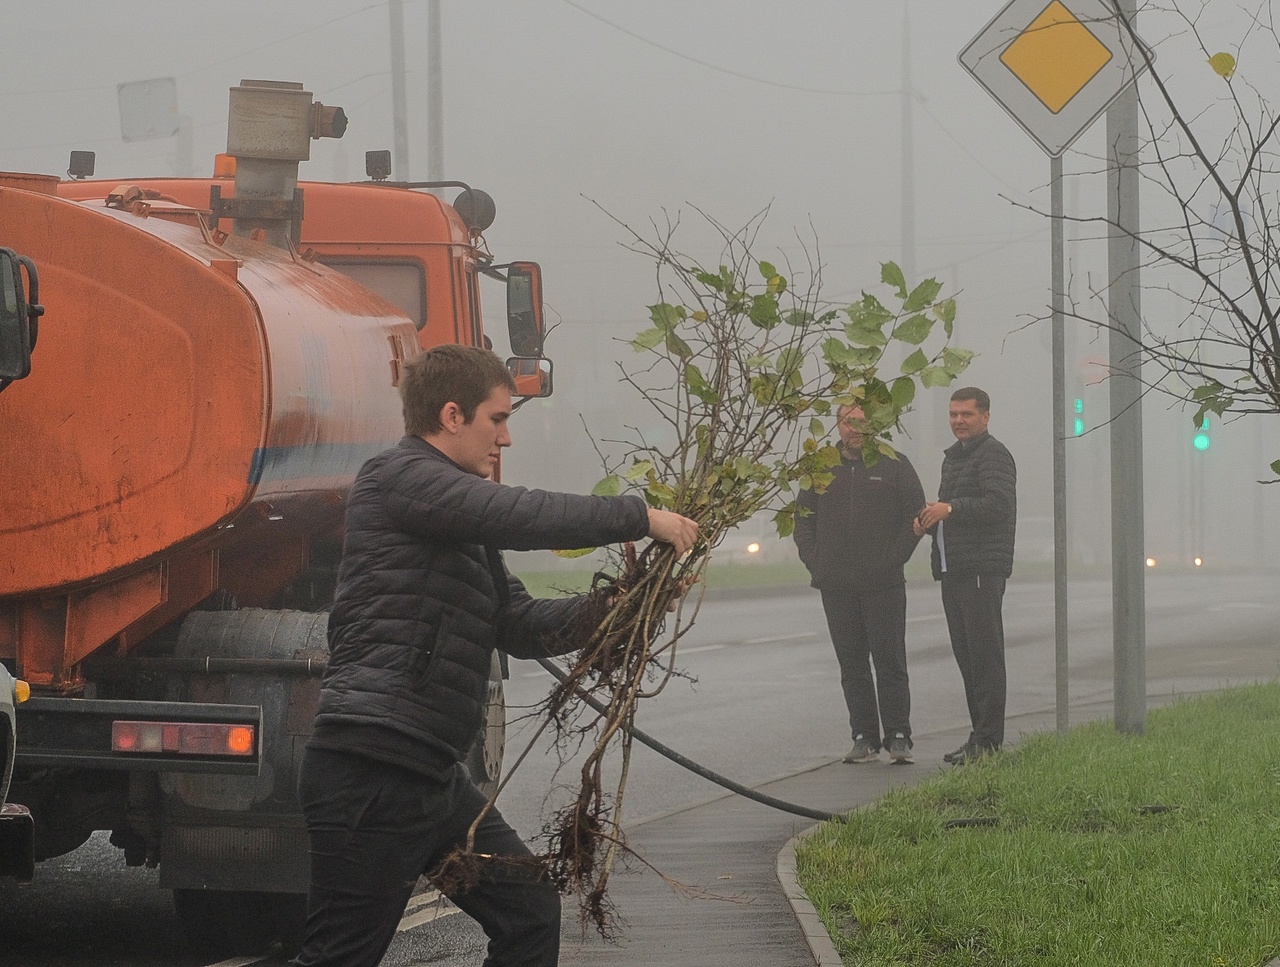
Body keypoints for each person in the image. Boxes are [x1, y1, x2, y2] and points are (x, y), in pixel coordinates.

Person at [291, 345, 698, 967]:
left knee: (530, 910)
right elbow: (519, 514)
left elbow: (523, 626)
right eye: (497, 419)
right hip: (370, 770)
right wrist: (639, 517)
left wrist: (625, 604)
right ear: (452, 415)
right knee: (339, 957)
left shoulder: (456, 520)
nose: (505, 439)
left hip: (429, 777)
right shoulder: (398, 478)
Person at [793, 404, 926, 766]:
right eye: (848, 422)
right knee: (852, 663)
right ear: (838, 424)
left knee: (890, 660)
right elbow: (803, 520)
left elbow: (916, 516)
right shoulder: (820, 466)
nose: (854, 429)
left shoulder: (894, 463)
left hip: (884, 583)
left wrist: (895, 556)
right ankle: (863, 736)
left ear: (876, 425)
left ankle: (899, 736)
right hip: (836, 584)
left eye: (862, 422)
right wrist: (816, 560)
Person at [913, 386, 1016, 765]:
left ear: (985, 416)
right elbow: (952, 511)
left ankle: (989, 743)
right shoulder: (954, 459)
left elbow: (999, 505)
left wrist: (951, 508)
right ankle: (979, 738)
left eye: (967, 414)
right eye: (954, 414)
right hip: (953, 569)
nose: (959, 421)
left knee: (985, 658)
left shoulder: (994, 454)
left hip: (980, 570)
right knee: (967, 657)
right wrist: (928, 520)